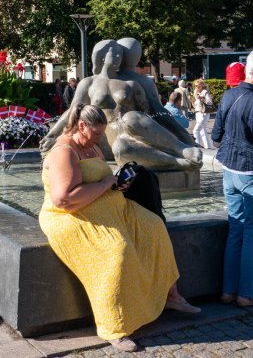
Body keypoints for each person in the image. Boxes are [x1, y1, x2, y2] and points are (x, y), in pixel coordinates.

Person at [39, 103, 201, 353]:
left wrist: (117, 184)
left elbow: (100, 181)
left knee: (154, 227)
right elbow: (64, 199)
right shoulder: (64, 152)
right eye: (96, 133)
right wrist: (106, 183)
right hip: (73, 217)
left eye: (101, 134)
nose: (99, 138)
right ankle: (114, 327)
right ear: (81, 126)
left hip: (110, 207)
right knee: (117, 251)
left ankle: (171, 296)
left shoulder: (89, 145)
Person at [40, 39, 202, 171]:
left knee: (130, 120)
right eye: (115, 54)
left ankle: (181, 149)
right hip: (103, 141)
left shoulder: (131, 84)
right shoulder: (88, 83)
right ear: (102, 57)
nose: (120, 58)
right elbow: (72, 112)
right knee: (120, 149)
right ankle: (178, 161)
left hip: (128, 133)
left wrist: (184, 136)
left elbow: (154, 113)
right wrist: (52, 136)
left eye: (121, 54)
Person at [211, 57, 253, 307]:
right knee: (250, 234)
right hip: (249, 172)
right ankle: (246, 294)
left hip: (228, 169)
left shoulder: (229, 96)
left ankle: (228, 291)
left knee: (236, 229)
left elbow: (216, 135)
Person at [192, 79, 213, 149]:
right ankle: (208, 147)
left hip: (203, 114)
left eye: (198, 86)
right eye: (195, 86)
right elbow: (196, 106)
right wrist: (193, 101)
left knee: (196, 130)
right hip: (198, 113)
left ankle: (198, 148)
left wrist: (201, 98)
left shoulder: (205, 92)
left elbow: (209, 102)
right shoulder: (196, 92)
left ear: (201, 85)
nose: (196, 87)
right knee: (202, 131)